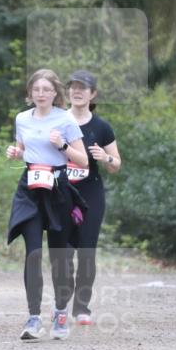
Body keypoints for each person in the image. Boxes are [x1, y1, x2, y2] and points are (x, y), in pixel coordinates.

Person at [6, 69, 88, 341]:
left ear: (55, 93)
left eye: (46, 89)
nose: (41, 94)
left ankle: (61, 312)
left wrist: (62, 145)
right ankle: (32, 317)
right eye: (36, 90)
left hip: (58, 189)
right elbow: (21, 148)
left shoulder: (65, 120)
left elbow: (84, 160)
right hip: (29, 187)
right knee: (32, 254)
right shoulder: (21, 119)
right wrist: (15, 152)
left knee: (59, 257)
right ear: (29, 94)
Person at [65, 70, 121, 326]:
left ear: (93, 94)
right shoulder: (56, 121)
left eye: (83, 88)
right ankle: (61, 303)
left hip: (91, 195)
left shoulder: (101, 127)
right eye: (73, 87)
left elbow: (116, 165)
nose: (77, 91)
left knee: (86, 251)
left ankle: (82, 307)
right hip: (62, 194)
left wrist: (105, 158)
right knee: (63, 252)